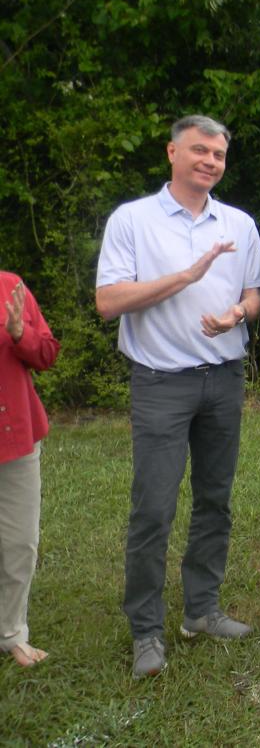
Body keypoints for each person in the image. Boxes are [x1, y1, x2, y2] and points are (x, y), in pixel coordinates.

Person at [96, 115, 260, 678]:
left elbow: (255, 293)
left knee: (215, 500)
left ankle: (202, 611)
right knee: (154, 509)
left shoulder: (238, 223)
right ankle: (146, 631)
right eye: (199, 151)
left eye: (218, 154)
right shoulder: (133, 220)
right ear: (172, 152)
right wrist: (186, 277)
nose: (209, 162)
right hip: (161, 382)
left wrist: (238, 313)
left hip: (224, 379)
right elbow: (109, 301)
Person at [0, 273, 60, 667]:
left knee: (20, 542)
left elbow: (48, 354)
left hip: (16, 435)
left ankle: (12, 633)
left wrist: (21, 332)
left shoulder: (10, 286)